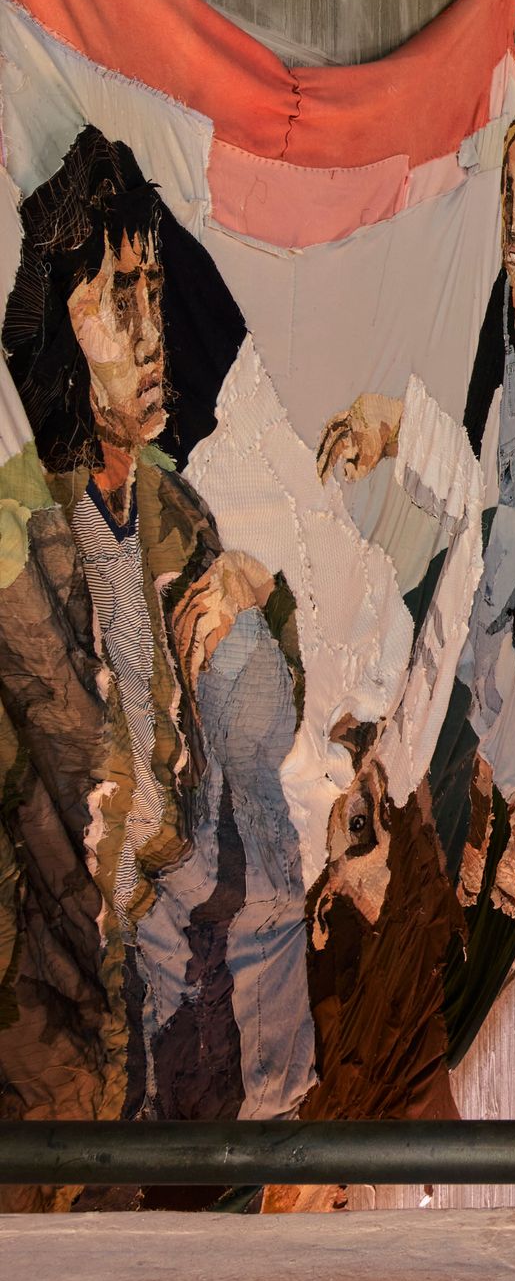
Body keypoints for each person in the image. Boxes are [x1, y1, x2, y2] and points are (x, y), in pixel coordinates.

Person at [0, 126, 308, 1134]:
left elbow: (267, 728)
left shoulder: (177, 512)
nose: (148, 331)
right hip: (64, 1047)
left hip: (181, 1027)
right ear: (57, 324)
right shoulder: (16, 527)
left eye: (152, 291)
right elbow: (101, 796)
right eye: (113, 298)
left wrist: (260, 594)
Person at [319, 114, 515, 921]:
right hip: (493, 517)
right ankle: (489, 831)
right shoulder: (500, 300)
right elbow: (473, 404)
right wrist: (423, 444)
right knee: (477, 684)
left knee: (506, 699)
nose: (511, 211)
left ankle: (509, 834)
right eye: (504, 194)